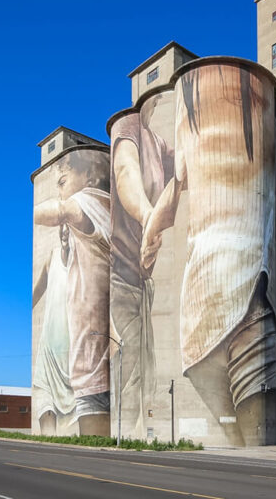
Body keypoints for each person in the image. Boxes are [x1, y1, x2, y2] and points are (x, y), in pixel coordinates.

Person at [141, 63, 276, 445]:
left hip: (198, 312)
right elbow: (261, 193)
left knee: (231, 438)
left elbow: (170, 197)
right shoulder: (260, 115)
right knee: (253, 442)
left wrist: (148, 239)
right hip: (246, 298)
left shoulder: (187, 125)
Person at [33, 151, 111, 436]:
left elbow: (59, 211)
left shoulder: (90, 202)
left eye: (63, 181)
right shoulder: (63, 248)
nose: (59, 191)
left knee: (93, 437)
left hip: (88, 359)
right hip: (70, 359)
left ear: (89, 178)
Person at [110, 94, 175, 434]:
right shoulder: (128, 125)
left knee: (146, 366)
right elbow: (124, 171)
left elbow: (187, 170)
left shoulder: (159, 143)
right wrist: (149, 215)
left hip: (141, 283)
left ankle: (137, 431)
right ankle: (124, 432)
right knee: (133, 357)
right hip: (121, 278)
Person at [32, 223, 75, 434]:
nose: (65, 232)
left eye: (70, 228)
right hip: (47, 352)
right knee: (44, 408)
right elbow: (37, 290)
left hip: (72, 360)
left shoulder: (85, 261)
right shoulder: (52, 257)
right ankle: (47, 443)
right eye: (63, 228)